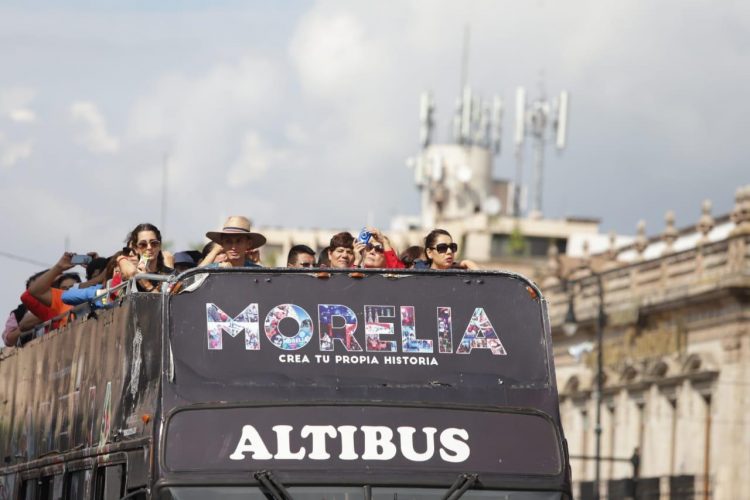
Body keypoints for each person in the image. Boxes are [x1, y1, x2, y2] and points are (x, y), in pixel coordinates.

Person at [117, 223, 173, 292]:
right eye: (143, 244)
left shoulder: (171, 274)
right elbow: (129, 271)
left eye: (154, 243)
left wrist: (146, 284)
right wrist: (121, 260)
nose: (149, 247)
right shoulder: (130, 271)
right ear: (136, 248)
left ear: (159, 246)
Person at [200, 216, 266, 268]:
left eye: (239, 241)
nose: (233, 247)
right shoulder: (214, 269)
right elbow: (198, 275)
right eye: (228, 242)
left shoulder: (255, 271)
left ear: (249, 244)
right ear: (222, 244)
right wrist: (215, 251)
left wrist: (257, 261)